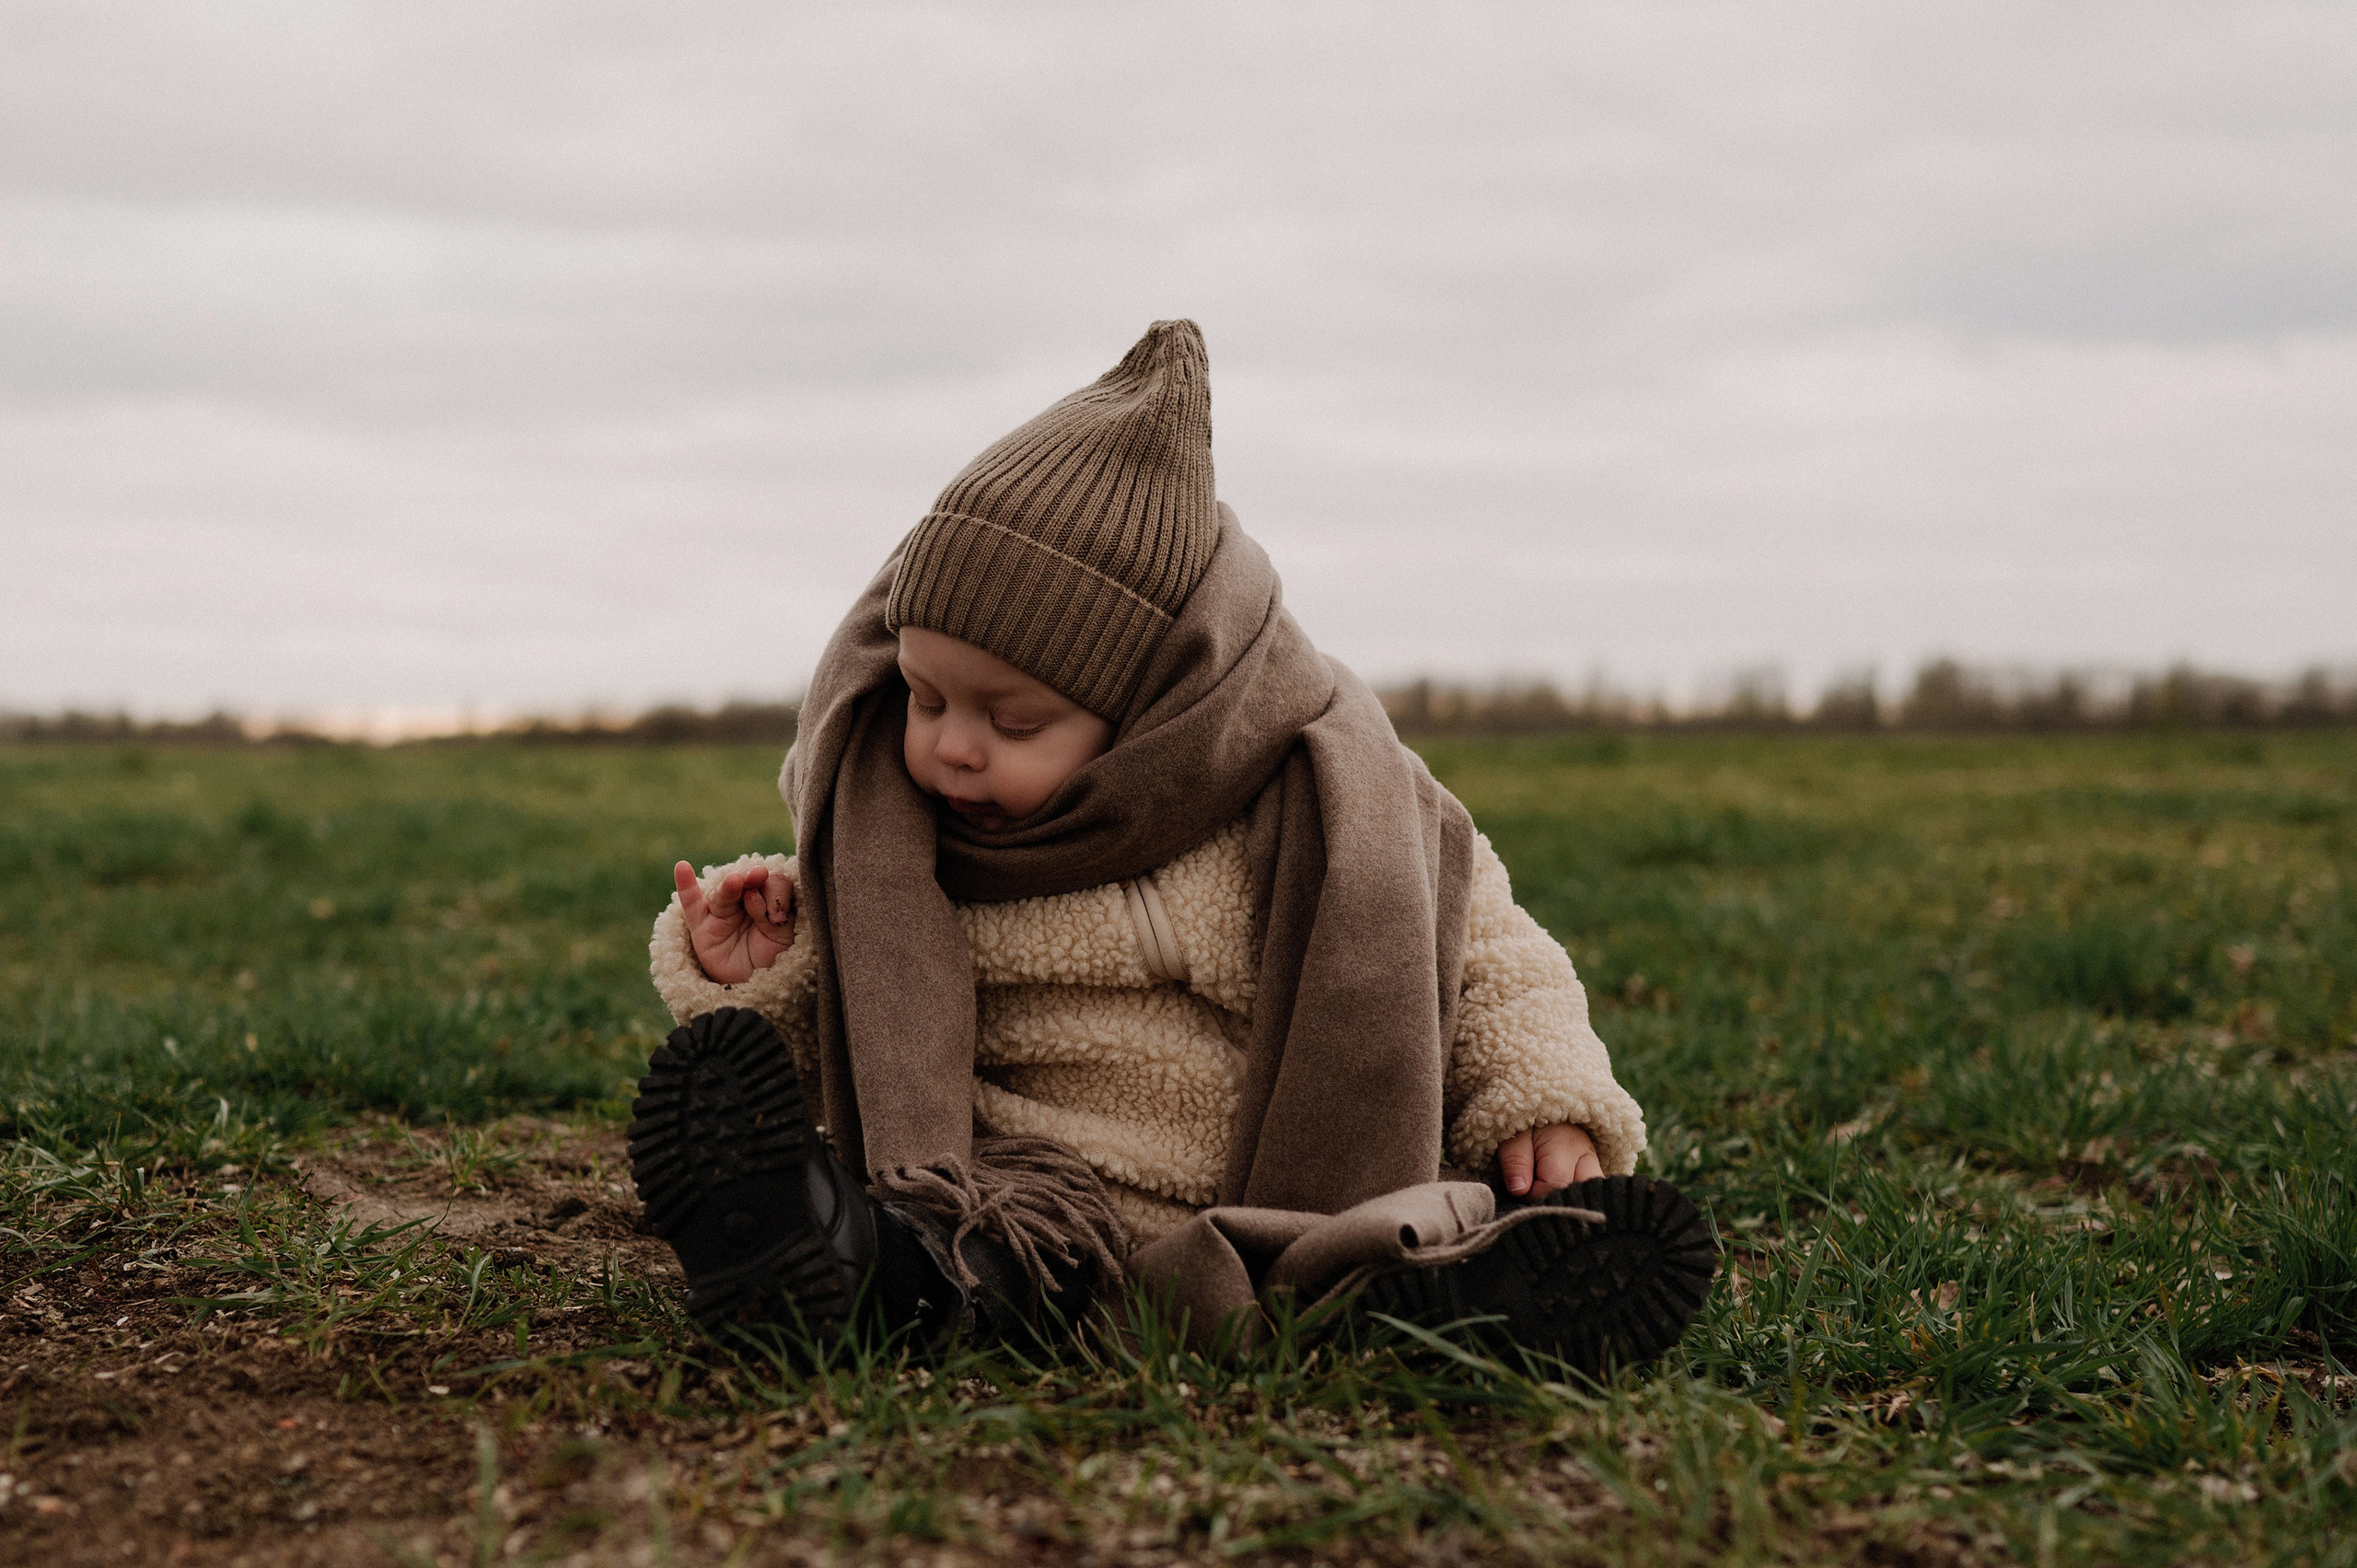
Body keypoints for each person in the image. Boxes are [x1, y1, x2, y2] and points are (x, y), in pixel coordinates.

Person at [626, 320, 1713, 1369]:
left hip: (1314, 1196)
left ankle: (1500, 1296)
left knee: (1422, 1221)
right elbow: (853, 1035)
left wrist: (1548, 1100)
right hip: (1040, 1196)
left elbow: (1494, 962)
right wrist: (758, 972)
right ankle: (819, 1257)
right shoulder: (896, 845)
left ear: (1155, 714)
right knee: (969, 1247)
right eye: (923, 697)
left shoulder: (1330, 807)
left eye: (1012, 723)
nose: (950, 750)